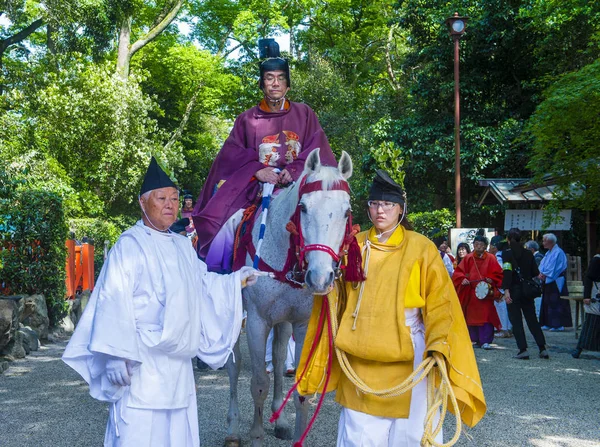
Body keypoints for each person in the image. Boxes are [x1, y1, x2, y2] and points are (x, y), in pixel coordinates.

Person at [62, 157, 260, 447]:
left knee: (176, 435)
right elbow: (112, 298)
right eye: (162, 198)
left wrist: (234, 281)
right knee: (139, 433)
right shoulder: (129, 245)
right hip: (141, 362)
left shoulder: (182, 245)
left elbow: (201, 285)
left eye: (175, 199)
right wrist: (115, 353)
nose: (170, 204)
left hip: (178, 367)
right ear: (144, 203)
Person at [298, 170, 486, 446]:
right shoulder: (353, 246)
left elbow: (440, 304)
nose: (380, 211)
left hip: (412, 360)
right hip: (359, 357)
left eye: (387, 205)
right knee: (359, 438)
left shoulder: (421, 248)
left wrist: (438, 344)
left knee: (410, 436)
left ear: (401, 209)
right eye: (374, 204)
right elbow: (334, 299)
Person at [192, 39, 336, 273]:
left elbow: (316, 148)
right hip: (255, 192)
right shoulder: (246, 119)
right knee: (227, 227)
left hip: (296, 188)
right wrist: (257, 171)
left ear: (288, 85)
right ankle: (224, 281)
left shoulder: (305, 113)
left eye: (280, 78)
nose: (275, 83)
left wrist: (296, 169)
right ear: (262, 84)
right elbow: (231, 155)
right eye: (269, 78)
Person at [501, 228, 548, 360]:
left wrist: (506, 290)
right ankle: (542, 348)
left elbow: (507, 272)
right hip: (527, 291)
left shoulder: (507, 254)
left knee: (516, 321)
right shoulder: (528, 253)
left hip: (514, 290)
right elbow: (534, 272)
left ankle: (523, 349)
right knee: (532, 320)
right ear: (520, 239)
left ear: (509, 240)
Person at [452, 231, 503, 350]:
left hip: (485, 293)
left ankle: (485, 340)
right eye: (476, 244)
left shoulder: (491, 258)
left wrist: (492, 280)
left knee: (486, 316)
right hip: (471, 292)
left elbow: (498, 274)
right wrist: (463, 279)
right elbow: (458, 273)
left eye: (481, 244)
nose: (478, 246)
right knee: (471, 315)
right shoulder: (468, 258)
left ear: (485, 246)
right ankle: (474, 339)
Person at [538, 233, 572, 331]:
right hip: (548, 279)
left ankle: (558, 325)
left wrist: (545, 274)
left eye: (544, 240)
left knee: (556, 302)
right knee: (547, 301)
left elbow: (555, 268)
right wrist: (541, 273)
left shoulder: (558, 252)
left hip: (556, 279)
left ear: (550, 242)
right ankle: (548, 323)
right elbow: (542, 264)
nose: (543, 242)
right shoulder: (548, 252)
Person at [572, 244, 600, 358]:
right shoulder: (597, 259)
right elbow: (588, 277)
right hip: (596, 293)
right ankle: (579, 348)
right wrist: (586, 296)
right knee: (591, 323)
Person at [525, 240, 544, 317]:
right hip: (537, 282)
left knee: (538, 301)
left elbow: (536, 272)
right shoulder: (536, 257)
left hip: (537, 283)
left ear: (532, 249)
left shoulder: (537, 258)